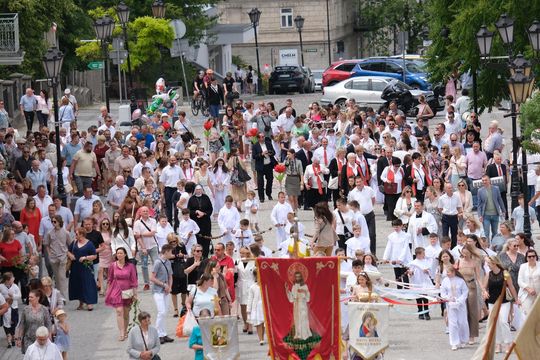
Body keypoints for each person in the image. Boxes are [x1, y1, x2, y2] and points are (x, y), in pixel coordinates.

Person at [482, 256, 520, 354]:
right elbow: (484, 287)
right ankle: (498, 344)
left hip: (504, 301)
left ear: (494, 263)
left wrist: (516, 299)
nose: (488, 265)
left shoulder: (505, 273)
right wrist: (484, 292)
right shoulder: (488, 274)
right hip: (492, 302)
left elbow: (511, 286)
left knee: (503, 321)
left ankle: (508, 343)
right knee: (495, 322)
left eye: (489, 264)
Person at [104, 247, 138, 341]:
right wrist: (108, 291)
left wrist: (135, 294)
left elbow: (134, 280)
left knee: (126, 313)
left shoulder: (130, 266)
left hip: (127, 291)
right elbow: (109, 279)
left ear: (125, 254)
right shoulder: (113, 265)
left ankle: (126, 330)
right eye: (117, 253)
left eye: (121, 253)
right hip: (116, 290)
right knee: (119, 311)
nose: (119, 255)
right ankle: (121, 333)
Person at [440, 266, 469, 351]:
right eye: (446, 272)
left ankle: (463, 339)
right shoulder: (445, 281)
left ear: (453, 272)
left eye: (449, 272)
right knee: (453, 323)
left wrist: (459, 300)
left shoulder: (461, 281)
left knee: (462, 322)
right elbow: (443, 292)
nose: (447, 274)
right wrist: (448, 298)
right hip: (450, 304)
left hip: (460, 304)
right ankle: (454, 342)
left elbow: (465, 292)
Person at [67, 228, 98, 311]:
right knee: (78, 284)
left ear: (82, 234)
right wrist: (70, 255)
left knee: (88, 284)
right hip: (75, 267)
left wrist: (85, 257)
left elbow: (95, 256)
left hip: (86, 267)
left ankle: (90, 302)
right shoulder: (74, 242)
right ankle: (81, 303)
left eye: (77, 234)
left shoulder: (89, 244)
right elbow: (68, 251)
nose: (75, 235)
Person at [150, 244, 174, 344]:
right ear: (166, 252)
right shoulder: (157, 262)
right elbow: (152, 278)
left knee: (165, 312)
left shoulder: (168, 262)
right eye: (171, 252)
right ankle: (157, 334)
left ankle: (163, 334)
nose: (172, 254)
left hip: (166, 291)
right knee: (161, 311)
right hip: (158, 290)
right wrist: (164, 285)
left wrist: (170, 286)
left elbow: (170, 276)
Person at [42, 215, 70, 298]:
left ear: (59, 222)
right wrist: (49, 253)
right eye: (52, 222)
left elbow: (70, 243)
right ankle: (58, 295)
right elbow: (46, 244)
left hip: (63, 256)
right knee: (57, 277)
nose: (53, 223)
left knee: (62, 277)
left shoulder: (65, 232)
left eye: (55, 221)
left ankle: (63, 296)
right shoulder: (49, 233)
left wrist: (68, 254)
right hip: (53, 257)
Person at [15, 289, 52, 354]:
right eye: (29, 297)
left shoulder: (44, 309)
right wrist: (19, 338)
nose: (29, 298)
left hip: (41, 339)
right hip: (28, 339)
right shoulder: (25, 309)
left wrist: (49, 337)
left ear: (37, 298)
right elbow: (21, 325)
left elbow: (48, 324)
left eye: (31, 297)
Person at [383, 219, 413, 289]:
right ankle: (399, 290)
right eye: (394, 227)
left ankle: (406, 290)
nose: (396, 228)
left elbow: (405, 248)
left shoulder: (406, 236)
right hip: (394, 257)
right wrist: (385, 258)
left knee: (404, 275)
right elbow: (389, 247)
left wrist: (400, 259)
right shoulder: (391, 236)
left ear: (401, 226)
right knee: (397, 275)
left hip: (404, 258)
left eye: (397, 227)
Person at [477, 175, 506, 240]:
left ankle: (494, 246)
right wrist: (479, 215)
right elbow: (479, 205)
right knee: (486, 233)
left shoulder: (496, 188)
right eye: (483, 180)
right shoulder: (480, 191)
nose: (484, 182)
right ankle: (487, 247)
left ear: (489, 180)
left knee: (495, 232)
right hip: (485, 215)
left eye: (486, 180)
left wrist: (503, 210)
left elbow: (500, 200)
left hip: (495, 214)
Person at [187, 185, 213, 258]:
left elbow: (210, 209)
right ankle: (197, 256)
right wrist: (196, 211)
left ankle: (205, 256)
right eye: (197, 189)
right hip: (196, 222)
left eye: (200, 189)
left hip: (206, 222)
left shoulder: (206, 198)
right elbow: (189, 210)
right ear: (195, 190)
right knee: (197, 239)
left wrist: (203, 213)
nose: (198, 191)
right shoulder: (192, 199)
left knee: (206, 240)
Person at [285, 271, 312, 340]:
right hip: (296, 305)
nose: (297, 278)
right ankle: (298, 335)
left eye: (299, 277)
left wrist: (304, 292)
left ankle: (305, 335)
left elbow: (308, 298)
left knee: (303, 319)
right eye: (296, 277)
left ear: (301, 277)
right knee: (297, 320)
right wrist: (287, 291)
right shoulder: (294, 286)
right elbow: (292, 298)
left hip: (302, 305)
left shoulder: (305, 286)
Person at [252, 132, 276, 203]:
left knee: (270, 180)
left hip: (268, 165)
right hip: (260, 166)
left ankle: (269, 194)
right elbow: (254, 156)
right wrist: (261, 154)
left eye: (263, 136)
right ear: (258, 138)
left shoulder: (268, 143)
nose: (263, 138)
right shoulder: (255, 146)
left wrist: (269, 152)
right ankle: (261, 197)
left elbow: (273, 152)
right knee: (260, 182)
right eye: (261, 137)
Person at [438, 182, 463, 248]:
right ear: (445, 189)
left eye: (451, 188)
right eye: (449, 188)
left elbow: (459, 207)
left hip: (454, 217)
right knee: (445, 234)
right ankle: (445, 248)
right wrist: (445, 213)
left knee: (454, 234)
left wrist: (459, 213)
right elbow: (440, 208)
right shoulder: (442, 198)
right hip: (445, 217)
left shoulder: (457, 197)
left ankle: (453, 248)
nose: (451, 189)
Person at [168, 234, 188, 317]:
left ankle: (183, 305)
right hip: (172, 270)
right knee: (174, 292)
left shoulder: (181, 246)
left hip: (181, 268)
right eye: (171, 241)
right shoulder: (167, 248)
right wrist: (176, 256)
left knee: (184, 290)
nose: (173, 243)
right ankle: (175, 309)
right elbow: (167, 256)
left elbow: (187, 255)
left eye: (174, 241)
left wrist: (182, 255)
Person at [517, 249, 540, 316]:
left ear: (536, 257)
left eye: (533, 256)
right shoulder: (523, 266)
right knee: (527, 314)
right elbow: (520, 281)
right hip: (526, 294)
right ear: (526, 258)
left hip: (538, 294)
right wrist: (528, 289)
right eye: (529, 256)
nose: (532, 258)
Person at [247, 269, 265, 345]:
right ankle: (260, 338)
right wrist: (248, 309)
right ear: (255, 277)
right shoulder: (252, 287)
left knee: (263, 323)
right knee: (258, 323)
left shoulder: (265, 286)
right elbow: (250, 299)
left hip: (263, 307)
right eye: (257, 276)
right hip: (256, 307)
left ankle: (262, 337)